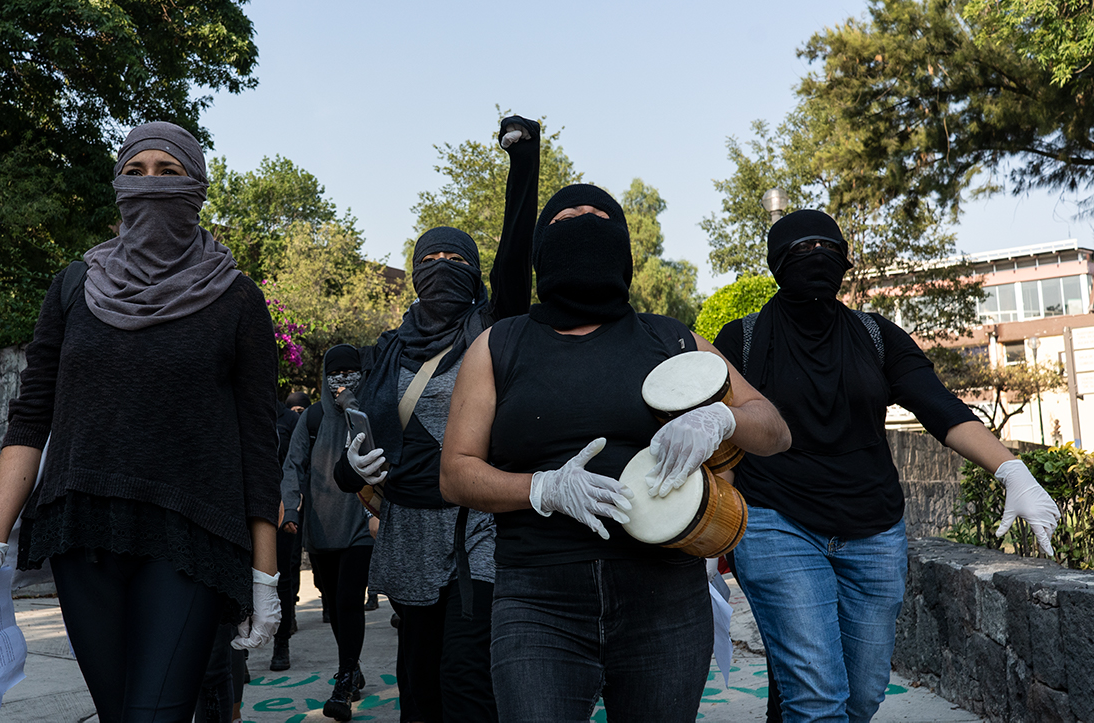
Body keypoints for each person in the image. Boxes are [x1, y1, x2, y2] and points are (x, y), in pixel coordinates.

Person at [0, 121, 282, 722]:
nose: (150, 184)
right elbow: (31, 418)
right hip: (83, 532)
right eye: (135, 171)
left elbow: (259, 444)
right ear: (118, 186)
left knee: (156, 714)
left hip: (191, 537)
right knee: (119, 713)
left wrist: (265, 574)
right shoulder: (74, 287)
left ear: (198, 186)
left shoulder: (237, 298)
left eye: (168, 172)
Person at [439, 183, 791, 723]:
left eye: (600, 216)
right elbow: (456, 474)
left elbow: (774, 429)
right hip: (538, 602)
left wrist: (723, 418)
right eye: (566, 218)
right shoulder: (498, 345)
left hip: (666, 599)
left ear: (624, 248)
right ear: (539, 252)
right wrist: (542, 487)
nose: (584, 221)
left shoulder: (672, 340)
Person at [712, 209, 1061, 723]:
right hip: (775, 524)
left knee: (863, 696)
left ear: (845, 262)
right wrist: (711, 528)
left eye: (828, 249)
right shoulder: (740, 340)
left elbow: (939, 406)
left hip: (874, 532)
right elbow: (721, 441)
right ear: (776, 264)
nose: (816, 259)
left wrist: (1012, 471)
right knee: (817, 698)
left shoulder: (876, 336)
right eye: (800, 250)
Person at [333, 116, 540, 723]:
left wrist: (524, 160)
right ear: (415, 272)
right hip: (408, 531)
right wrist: (352, 470)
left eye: (458, 258)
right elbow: (356, 452)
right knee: (419, 686)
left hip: (479, 530)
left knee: (468, 682)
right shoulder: (386, 350)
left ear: (474, 275)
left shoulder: (490, 330)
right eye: (432, 257)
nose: (444, 264)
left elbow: (516, 252)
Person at [280, 345, 375, 721]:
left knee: (350, 601)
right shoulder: (313, 417)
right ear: (325, 376)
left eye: (351, 372)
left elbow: (370, 444)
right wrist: (291, 508)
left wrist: (353, 405)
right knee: (334, 604)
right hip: (320, 528)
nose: (343, 380)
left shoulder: (366, 409)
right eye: (336, 374)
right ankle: (351, 664)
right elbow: (293, 465)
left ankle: (344, 679)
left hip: (359, 525)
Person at [271, 394, 303, 671]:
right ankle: (240, 655)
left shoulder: (291, 420)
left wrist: (291, 504)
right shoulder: (243, 411)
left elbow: (295, 466)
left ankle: (281, 644)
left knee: (283, 577)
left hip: (281, 509)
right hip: (245, 508)